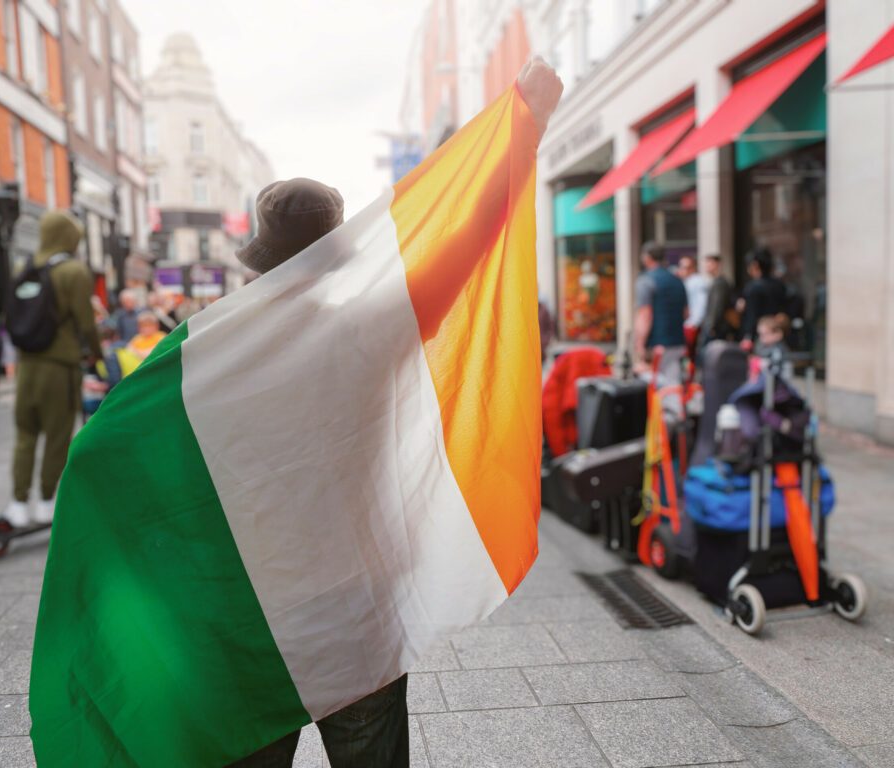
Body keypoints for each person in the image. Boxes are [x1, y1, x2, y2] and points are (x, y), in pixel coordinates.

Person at [226, 55, 563, 768]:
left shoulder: (212, 351)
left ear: (258, 263)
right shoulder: (368, 331)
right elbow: (467, 243)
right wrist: (523, 126)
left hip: (255, 600)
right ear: (339, 257)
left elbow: (115, 446)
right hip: (357, 601)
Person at [4, 211, 102, 528]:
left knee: (25, 435)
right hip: (59, 367)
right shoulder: (74, 271)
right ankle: (46, 501)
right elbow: (86, 323)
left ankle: (18, 503)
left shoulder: (25, 268)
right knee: (57, 436)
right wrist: (96, 355)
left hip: (27, 366)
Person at [633, 243, 688, 385]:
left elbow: (645, 314)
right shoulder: (677, 280)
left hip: (657, 345)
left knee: (658, 386)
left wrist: (640, 345)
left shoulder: (646, 280)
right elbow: (686, 313)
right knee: (674, 385)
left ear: (647, 258)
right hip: (678, 342)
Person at [738, 247, 786, 351]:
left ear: (755, 265)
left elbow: (752, 314)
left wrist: (747, 336)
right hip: (776, 333)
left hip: (760, 336)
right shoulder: (779, 285)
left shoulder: (752, 288)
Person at [698, 254, 735, 348]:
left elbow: (717, 306)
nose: (707, 267)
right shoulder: (717, 282)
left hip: (716, 328)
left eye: (709, 263)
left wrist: (712, 325)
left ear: (717, 264)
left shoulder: (719, 283)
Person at [677, 255, 709, 356]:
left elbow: (701, 304)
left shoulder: (697, 282)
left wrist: (695, 323)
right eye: (681, 267)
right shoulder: (684, 282)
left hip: (692, 325)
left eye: (686, 267)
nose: (683, 270)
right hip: (686, 324)